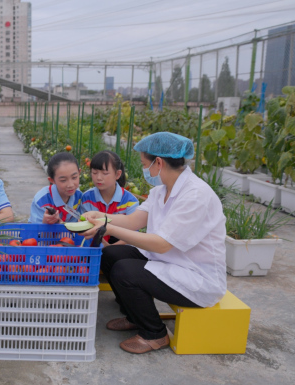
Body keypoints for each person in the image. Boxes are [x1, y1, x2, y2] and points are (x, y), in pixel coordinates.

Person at [81, 132, 226, 354]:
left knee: (125, 271)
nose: (144, 170)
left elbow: (161, 244)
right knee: (110, 256)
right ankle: (135, 316)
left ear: (159, 162)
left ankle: (155, 333)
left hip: (196, 275)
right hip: (170, 261)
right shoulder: (161, 191)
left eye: (144, 164)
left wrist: (107, 227)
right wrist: (101, 217)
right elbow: (133, 220)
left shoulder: (195, 195)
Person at [80, 150, 139, 245]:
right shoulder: (87, 198)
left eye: (105, 173)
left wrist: (110, 248)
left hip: (121, 251)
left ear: (117, 174)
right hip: (94, 247)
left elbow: (134, 232)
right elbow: (86, 228)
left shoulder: (130, 201)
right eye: (94, 173)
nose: (99, 177)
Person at [29, 152, 83, 224]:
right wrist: (45, 223)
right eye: (63, 180)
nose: (70, 185)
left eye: (74, 177)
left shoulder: (79, 196)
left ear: (79, 172)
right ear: (52, 180)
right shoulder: (41, 201)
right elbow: (35, 232)